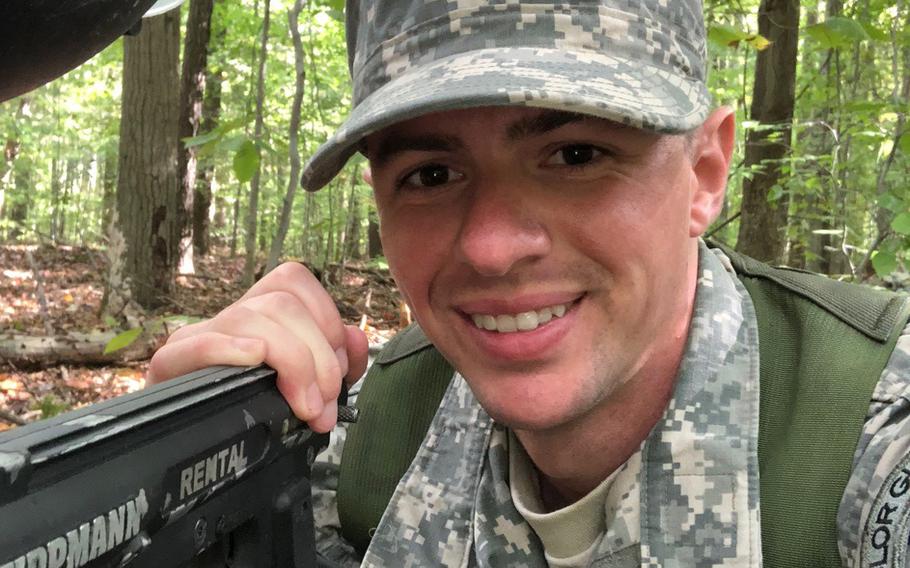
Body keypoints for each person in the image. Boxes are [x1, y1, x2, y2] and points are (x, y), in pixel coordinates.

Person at [148, 0, 910, 566]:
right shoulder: (370, 435)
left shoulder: (865, 434)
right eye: (432, 174)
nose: (489, 248)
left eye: (576, 155)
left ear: (704, 175)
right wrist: (197, 460)